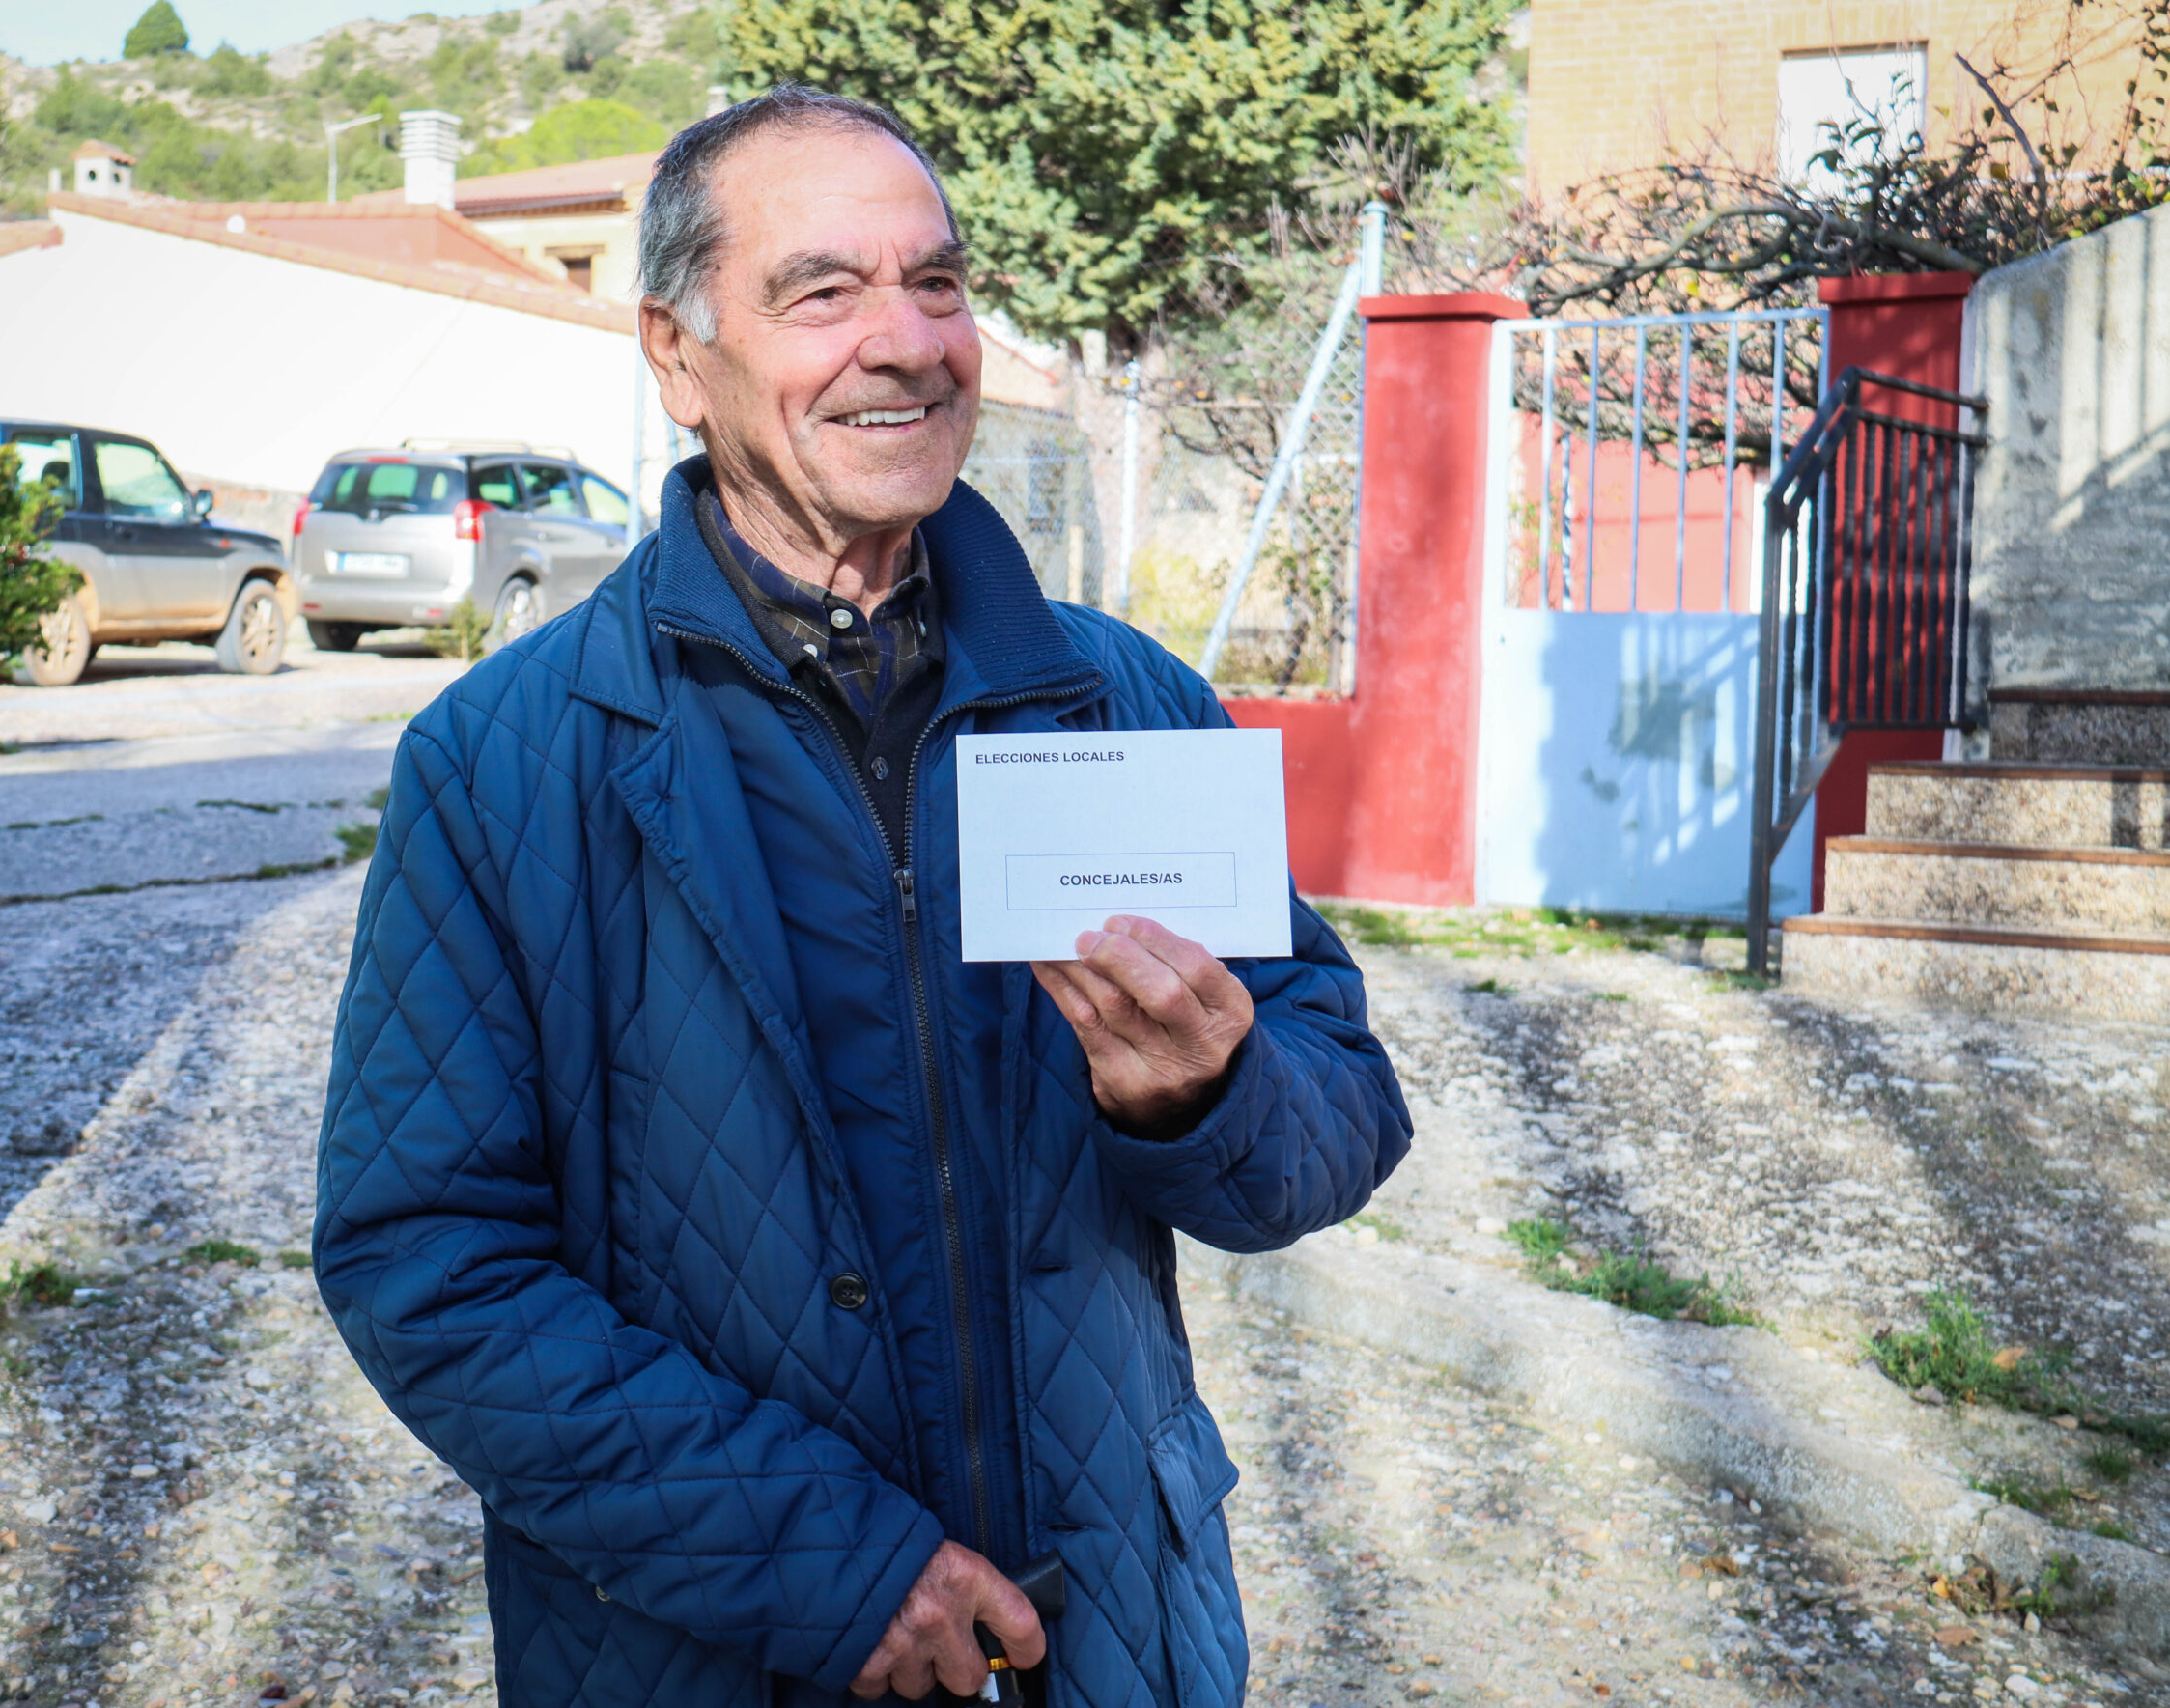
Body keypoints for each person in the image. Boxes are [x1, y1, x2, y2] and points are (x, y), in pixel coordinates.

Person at [314, 84, 1411, 1708]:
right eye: (821, 292)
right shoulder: (504, 763)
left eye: (937, 283)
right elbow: (426, 1262)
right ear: (676, 355)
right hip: (708, 1656)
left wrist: (1210, 1095)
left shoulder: (1124, 701)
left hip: (1106, 1644)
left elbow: (1341, 1110)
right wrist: (830, 1565)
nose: (905, 342)